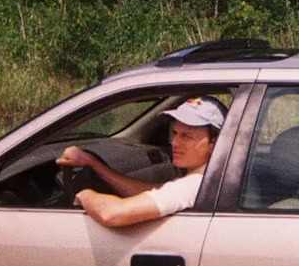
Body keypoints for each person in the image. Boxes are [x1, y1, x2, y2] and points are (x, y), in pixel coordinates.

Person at [56, 96, 227, 227]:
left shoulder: (192, 186)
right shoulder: (212, 179)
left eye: (187, 136)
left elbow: (113, 214)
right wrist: (93, 163)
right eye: (175, 133)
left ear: (214, 143)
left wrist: (84, 195)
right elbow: (155, 192)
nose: (175, 143)